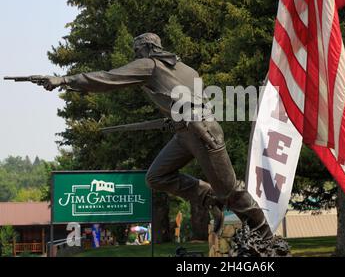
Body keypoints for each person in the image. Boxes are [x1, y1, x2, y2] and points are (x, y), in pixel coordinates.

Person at [39, 33, 273, 240]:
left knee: (231, 190)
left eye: (137, 50)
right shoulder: (188, 70)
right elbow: (189, 101)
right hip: (186, 132)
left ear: (148, 48)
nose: (135, 55)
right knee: (157, 177)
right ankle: (210, 197)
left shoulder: (150, 65)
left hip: (202, 132)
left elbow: (109, 78)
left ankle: (265, 236)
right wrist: (174, 119)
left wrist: (64, 80)